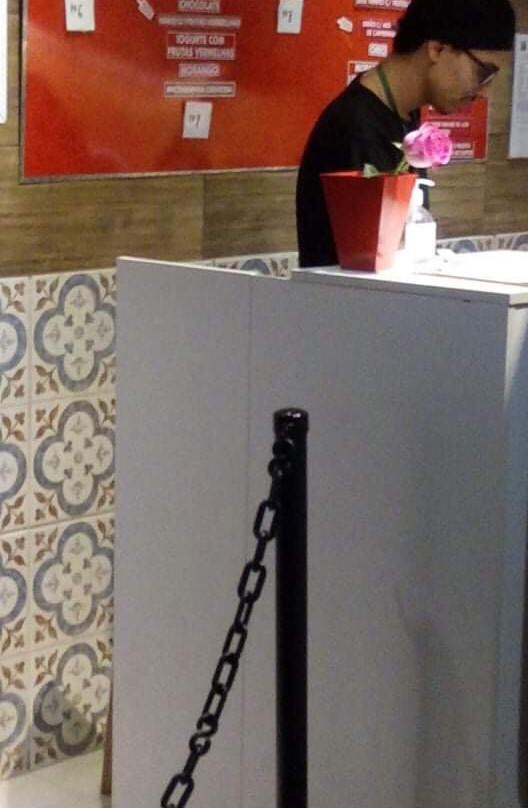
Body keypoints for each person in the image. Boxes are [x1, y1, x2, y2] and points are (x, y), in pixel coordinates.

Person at [296, 0, 516, 268]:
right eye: (484, 73)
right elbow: (372, 268)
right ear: (437, 49)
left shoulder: (402, 113)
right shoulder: (356, 127)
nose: (484, 92)